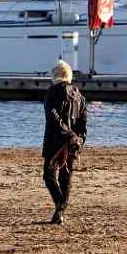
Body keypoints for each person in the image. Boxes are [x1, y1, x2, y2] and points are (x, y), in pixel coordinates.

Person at [42, 59, 87, 224]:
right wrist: (79, 140)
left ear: (57, 75)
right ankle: (59, 214)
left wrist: (67, 134)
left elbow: (52, 116)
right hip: (73, 142)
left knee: (48, 174)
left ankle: (60, 204)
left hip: (56, 140)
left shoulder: (52, 92)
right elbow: (83, 122)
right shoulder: (80, 95)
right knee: (66, 177)